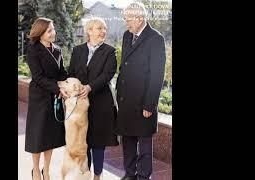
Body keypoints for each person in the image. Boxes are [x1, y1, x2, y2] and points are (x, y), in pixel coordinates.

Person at [115, 2, 167, 180]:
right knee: (128, 141)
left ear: (139, 18)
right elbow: (125, 66)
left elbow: (157, 75)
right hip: (125, 99)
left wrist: (150, 104)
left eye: (128, 19)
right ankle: (130, 174)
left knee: (144, 143)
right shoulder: (126, 35)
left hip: (144, 101)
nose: (125, 22)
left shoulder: (155, 38)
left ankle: (144, 176)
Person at [68, 17, 119, 180]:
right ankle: (85, 173)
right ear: (89, 31)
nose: (103, 31)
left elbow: (108, 74)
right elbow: (71, 73)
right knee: (83, 141)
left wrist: (89, 87)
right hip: (80, 104)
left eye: (104, 28)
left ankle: (98, 174)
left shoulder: (110, 51)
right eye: (99, 28)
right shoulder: (77, 50)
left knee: (98, 142)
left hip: (101, 103)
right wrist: (72, 89)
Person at [25, 17, 69, 180]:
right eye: (49, 30)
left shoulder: (57, 50)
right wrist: (57, 88)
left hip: (55, 97)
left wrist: (67, 83)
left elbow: (62, 72)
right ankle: (36, 170)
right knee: (38, 136)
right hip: (40, 97)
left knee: (50, 136)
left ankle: (47, 170)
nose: (53, 33)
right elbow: (37, 77)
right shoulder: (33, 49)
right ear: (40, 32)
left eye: (53, 29)